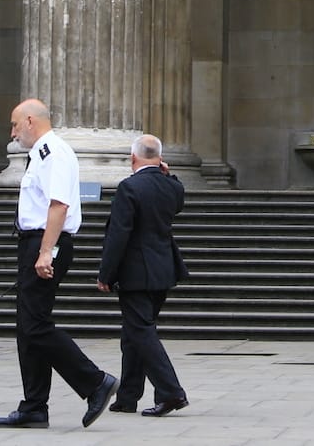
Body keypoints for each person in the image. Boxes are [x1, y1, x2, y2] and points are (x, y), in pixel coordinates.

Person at [0, 99, 117, 430]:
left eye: (15, 125)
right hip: (35, 241)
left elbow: (59, 204)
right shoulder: (42, 154)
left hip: (47, 242)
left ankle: (95, 382)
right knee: (27, 327)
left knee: (35, 325)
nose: (13, 133)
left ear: (30, 121)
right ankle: (34, 405)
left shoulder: (53, 152)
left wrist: (46, 251)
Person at [97, 135, 190, 417]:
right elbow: (177, 201)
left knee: (140, 332)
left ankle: (171, 392)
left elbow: (119, 234)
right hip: (163, 269)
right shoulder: (172, 187)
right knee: (135, 332)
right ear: (159, 158)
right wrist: (168, 173)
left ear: (133, 158)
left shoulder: (129, 188)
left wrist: (106, 273)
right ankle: (128, 396)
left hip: (136, 271)